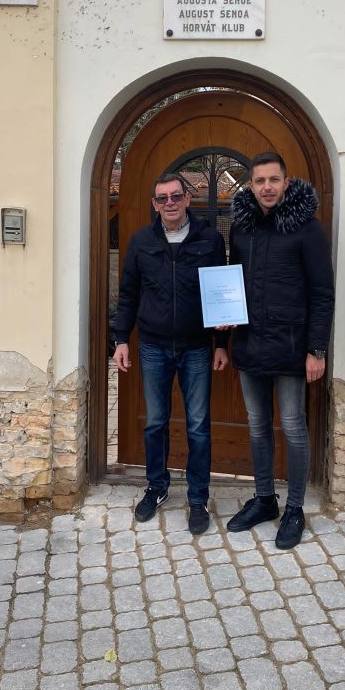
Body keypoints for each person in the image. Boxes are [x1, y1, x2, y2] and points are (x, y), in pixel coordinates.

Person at [226, 151, 334, 549]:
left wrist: (317, 350)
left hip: (291, 346)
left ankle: (295, 509)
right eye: (260, 181)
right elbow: (232, 282)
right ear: (251, 186)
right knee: (257, 425)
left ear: (286, 183)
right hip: (250, 344)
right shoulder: (241, 227)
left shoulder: (307, 228)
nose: (267, 187)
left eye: (274, 180)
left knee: (292, 426)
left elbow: (322, 293)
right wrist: (224, 325)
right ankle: (264, 499)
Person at [113, 172, 229, 535]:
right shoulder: (141, 241)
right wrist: (120, 340)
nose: (170, 203)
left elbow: (220, 294)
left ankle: (198, 497)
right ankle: (157, 487)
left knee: (198, 426)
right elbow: (129, 293)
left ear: (188, 199)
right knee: (155, 422)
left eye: (176, 196)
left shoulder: (210, 240)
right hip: (153, 346)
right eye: (162, 198)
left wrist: (222, 345)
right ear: (154, 204)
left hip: (197, 346)